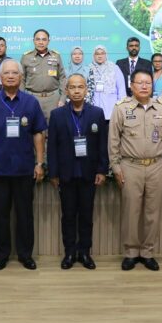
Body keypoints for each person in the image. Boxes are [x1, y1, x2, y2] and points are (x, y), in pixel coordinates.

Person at [0, 59, 47, 271]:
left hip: (25, 169)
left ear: (21, 77)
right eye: (6, 73)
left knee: (25, 215)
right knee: (1, 214)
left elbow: (38, 134)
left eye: (14, 73)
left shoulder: (30, 102)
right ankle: (2, 255)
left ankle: (26, 255)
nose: (10, 76)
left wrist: (40, 163)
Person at [109, 69, 162, 271]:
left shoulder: (161, 108)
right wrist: (116, 167)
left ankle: (147, 252)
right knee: (131, 212)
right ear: (132, 85)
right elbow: (113, 140)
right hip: (130, 167)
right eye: (140, 83)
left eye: (148, 83)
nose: (144, 86)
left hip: (156, 166)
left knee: (152, 213)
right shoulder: (121, 108)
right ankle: (130, 253)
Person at [47, 74, 108, 270]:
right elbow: (53, 147)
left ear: (86, 90)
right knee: (68, 215)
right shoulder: (57, 115)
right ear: (66, 90)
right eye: (72, 87)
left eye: (80, 87)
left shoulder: (97, 113)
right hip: (66, 174)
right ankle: (69, 253)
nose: (76, 90)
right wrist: (53, 173)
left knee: (86, 215)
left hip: (89, 173)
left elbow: (102, 145)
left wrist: (101, 169)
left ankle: (85, 252)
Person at [20, 28, 66, 122]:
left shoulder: (56, 56)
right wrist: (22, 99)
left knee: (53, 130)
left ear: (48, 41)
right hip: (32, 98)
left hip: (53, 99)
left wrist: (63, 98)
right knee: (34, 129)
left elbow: (62, 78)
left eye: (44, 39)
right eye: (38, 39)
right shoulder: (26, 57)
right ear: (33, 41)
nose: (41, 42)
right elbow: (21, 80)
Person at [85, 45, 127, 121]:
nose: (100, 56)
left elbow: (121, 90)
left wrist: (121, 108)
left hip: (111, 109)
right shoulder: (88, 68)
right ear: (94, 56)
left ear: (106, 55)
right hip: (94, 109)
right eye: (97, 54)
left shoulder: (114, 67)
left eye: (102, 53)